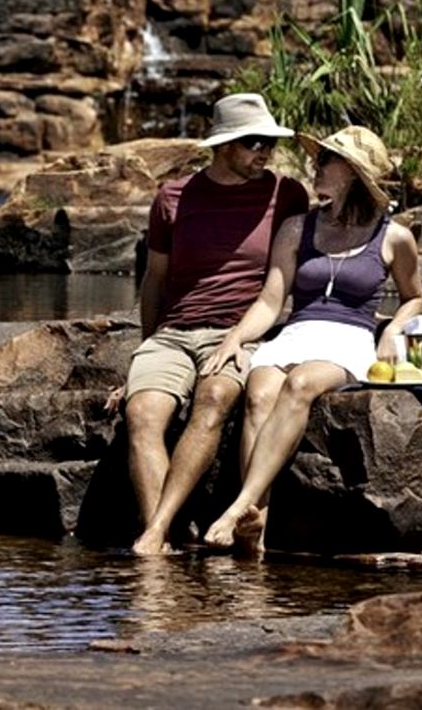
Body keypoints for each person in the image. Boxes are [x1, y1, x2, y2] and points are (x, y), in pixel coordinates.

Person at [199, 125, 422, 554]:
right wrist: (235, 338)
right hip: (297, 331)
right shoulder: (295, 229)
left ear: (354, 173)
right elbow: (270, 302)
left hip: (349, 338)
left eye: (325, 160)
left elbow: (415, 298)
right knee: (260, 390)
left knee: (300, 384)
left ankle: (240, 506)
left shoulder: (394, 236)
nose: (313, 166)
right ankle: (255, 530)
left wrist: (393, 328)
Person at [123, 93, 309, 557]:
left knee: (216, 395)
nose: (263, 151)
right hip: (174, 333)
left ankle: (154, 533)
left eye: (269, 142)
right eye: (252, 143)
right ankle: (161, 537)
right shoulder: (173, 197)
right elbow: (155, 279)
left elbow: (283, 282)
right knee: (142, 414)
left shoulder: (286, 194)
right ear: (223, 145)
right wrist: (147, 348)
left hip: (238, 332)